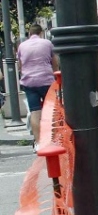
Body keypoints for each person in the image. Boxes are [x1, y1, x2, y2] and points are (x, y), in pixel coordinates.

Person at [17, 24, 58, 153]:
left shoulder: (22, 46)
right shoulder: (47, 43)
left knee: (35, 112)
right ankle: (53, 139)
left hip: (29, 82)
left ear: (29, 33)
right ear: (40, 33)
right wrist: (55, 76)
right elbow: (54, 62)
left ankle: (39, 143)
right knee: (51, 110)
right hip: (46, 80)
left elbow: (20, 65)